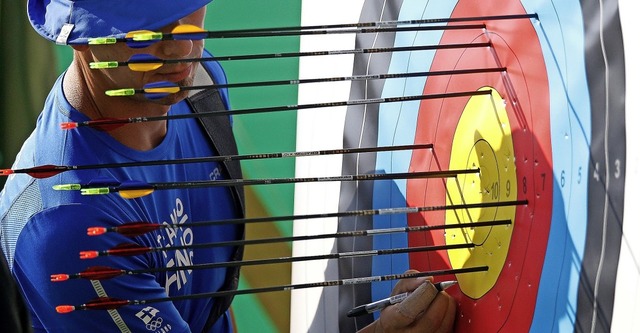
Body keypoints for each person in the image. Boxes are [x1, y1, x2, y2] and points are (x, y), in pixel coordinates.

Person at [0, 1, 455, 332]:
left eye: (187, 13)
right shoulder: (67, 226)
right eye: (146, 32)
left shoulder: (197, 84)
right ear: (80, 37)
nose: (179, 50)